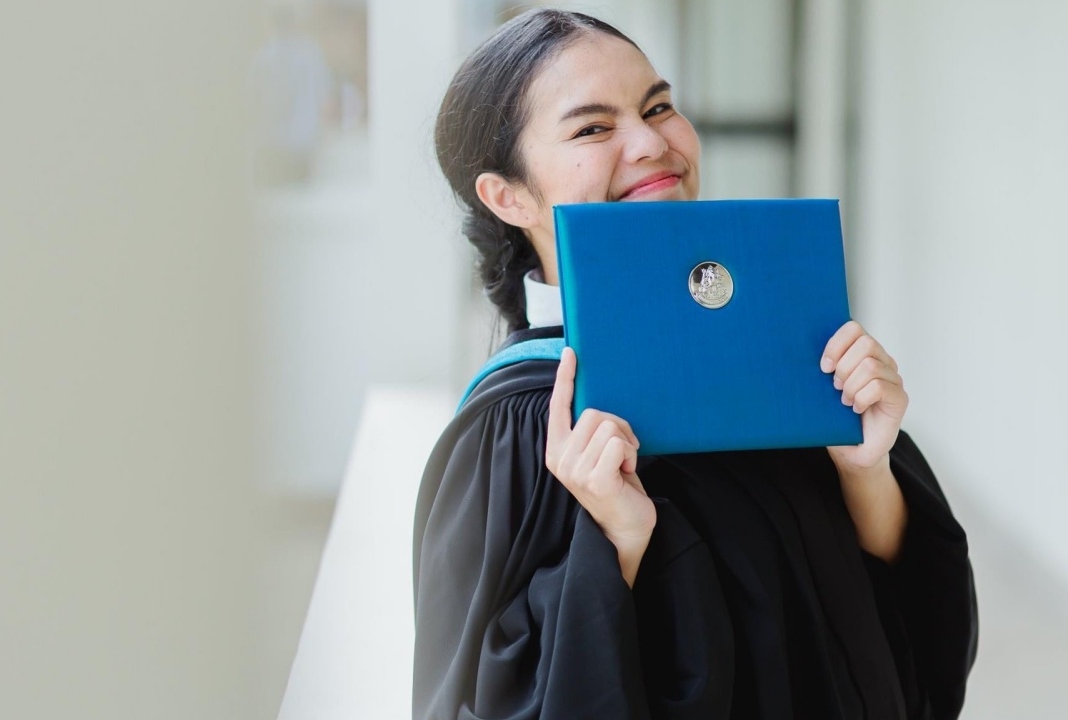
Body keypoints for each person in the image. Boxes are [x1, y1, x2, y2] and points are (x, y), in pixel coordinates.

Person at [412, 8, 977, 720]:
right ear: (509, 195)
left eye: (658, 106)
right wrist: (613, 546)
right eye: (593, 127)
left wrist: (866, 472)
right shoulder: (523, 425)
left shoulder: (784, 348)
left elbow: (906, 646)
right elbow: (487, 701)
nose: (652, 141)